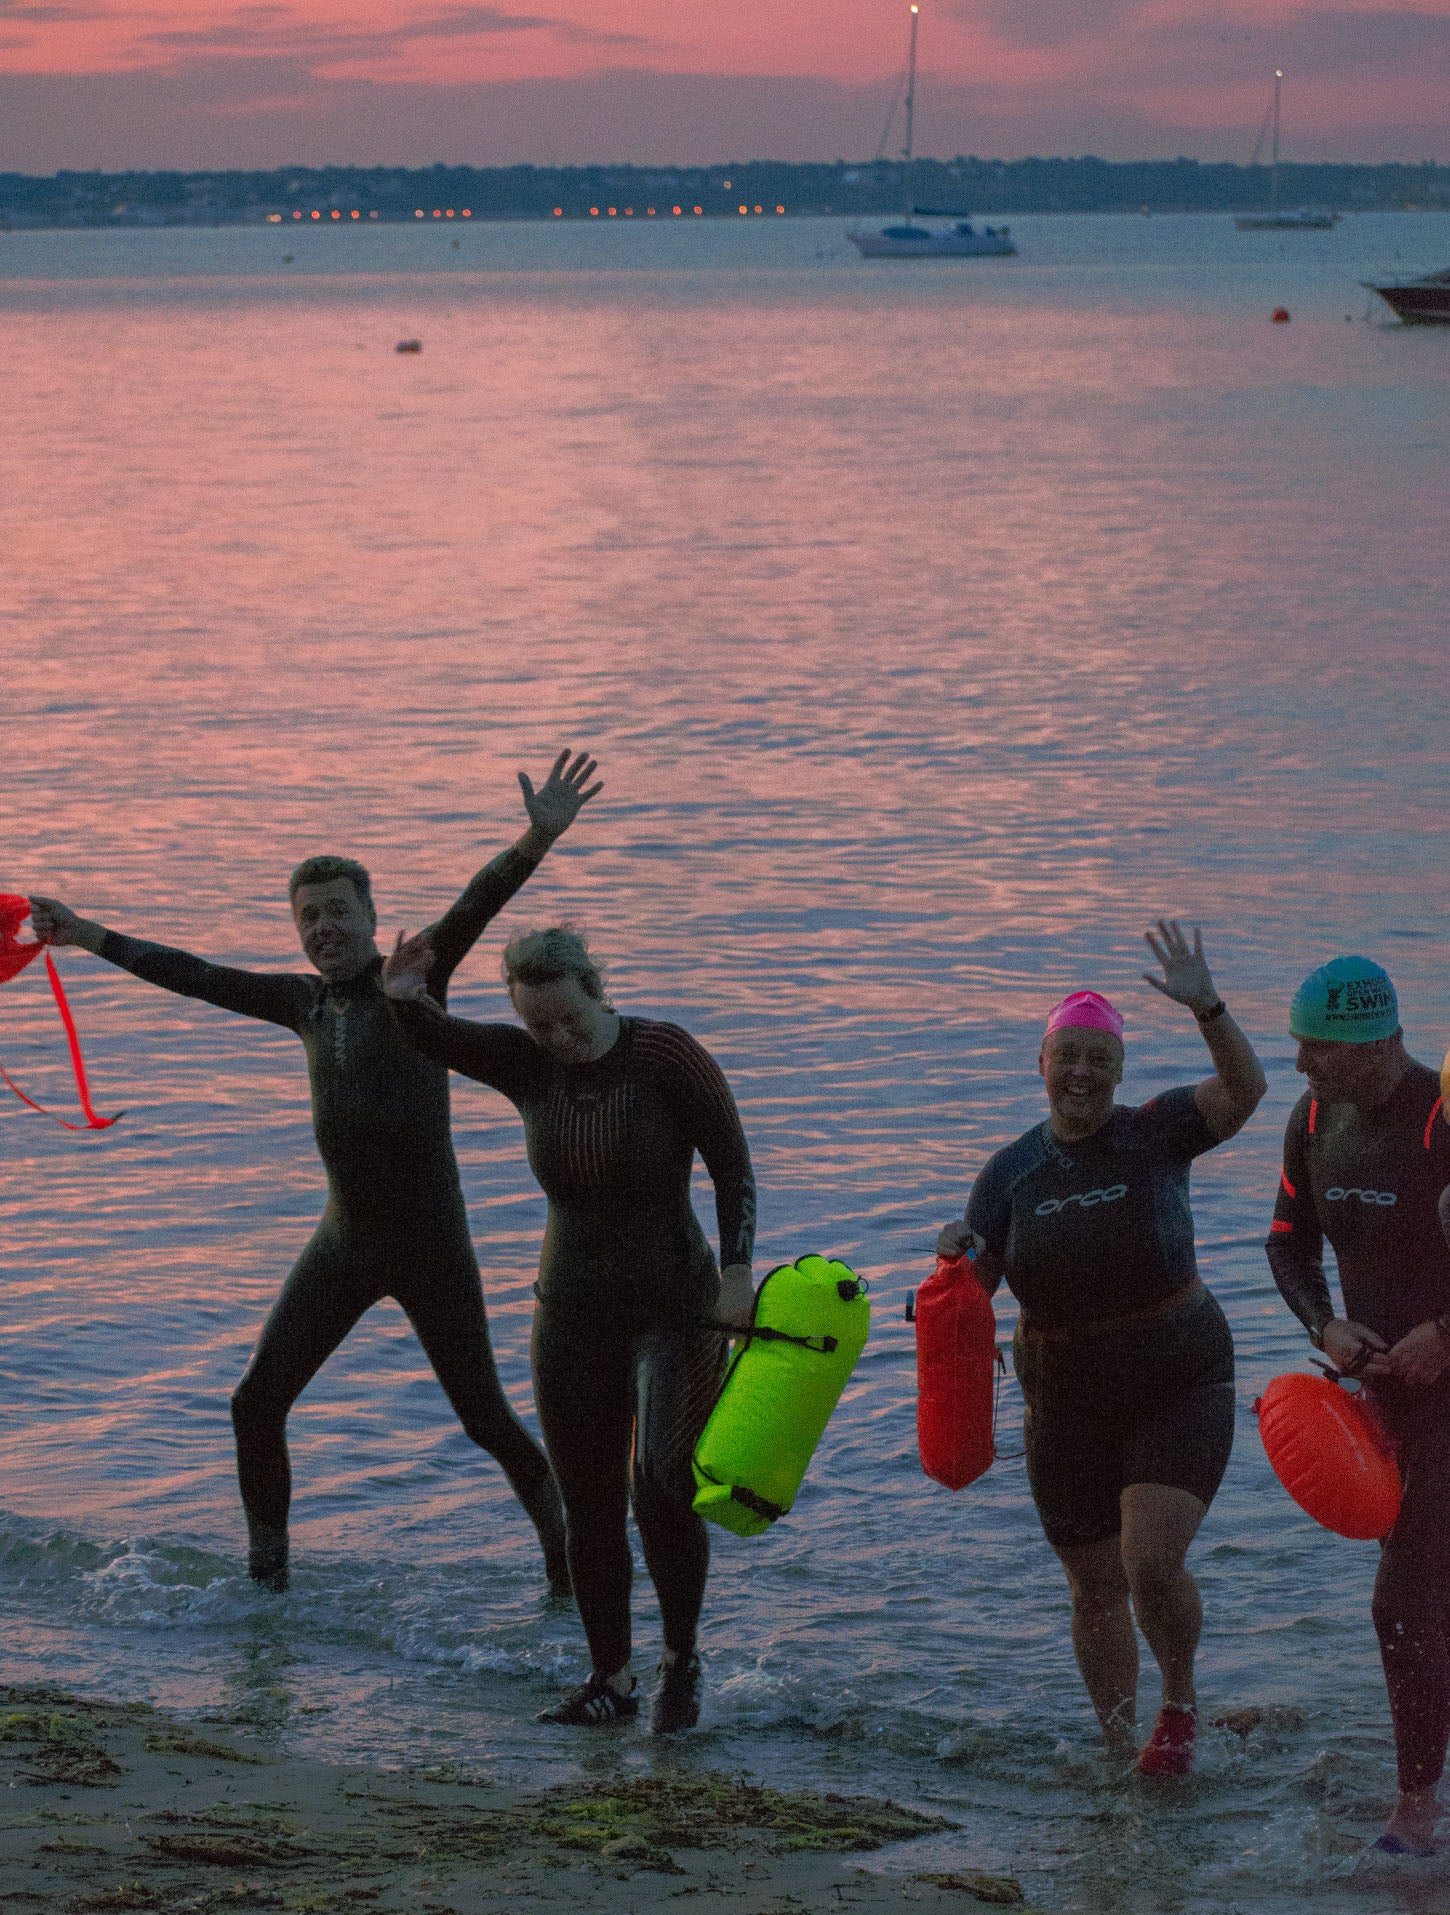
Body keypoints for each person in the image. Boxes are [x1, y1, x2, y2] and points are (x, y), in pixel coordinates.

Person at [27, 751, 602, 1596]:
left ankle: (569, 1570)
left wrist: (537, 836)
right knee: (254, 1403)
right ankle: (269, 1584)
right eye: (309, 916)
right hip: (344, 1242)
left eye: (339, 910)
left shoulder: (414, 977)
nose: (324, 926)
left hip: (431, 1246)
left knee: (485, 1420)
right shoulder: (303, 1003)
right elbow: (195, 975)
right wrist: (85, 934)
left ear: (371, 915)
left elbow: (481, 901)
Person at [381, 921, 755, 1733]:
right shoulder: (526, 1062)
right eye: (538, 1024)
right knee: (587, 1501)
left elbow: (732, 1162)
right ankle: (610, 1679)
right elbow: (435, 1034)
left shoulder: (665, 1055)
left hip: (675, 1304)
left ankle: (680, 1664)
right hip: (571, 1311)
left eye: (569, 1020)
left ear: (597, 988)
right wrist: (401, 994)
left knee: (660, 1487)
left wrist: (737, 1271)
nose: (558, 1038)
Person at [938, 922, 1266, 1776]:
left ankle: (1180, 1707)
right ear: (1040, 1064)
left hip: (1179, 1372)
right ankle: (1121, 1747)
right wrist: (954, 1267)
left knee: (1150, 1560)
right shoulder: (1010, 1173)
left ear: (1118, 1069)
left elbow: (1246, 1089)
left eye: (1098, 1058)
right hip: (1066, 1398)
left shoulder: (1156, 1130)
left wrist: (1208, 1005)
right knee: (1093, 1588)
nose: (1080, 1071)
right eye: (1066, 1056)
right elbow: (973, 1282)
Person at [1265, 955, 1450, 1857]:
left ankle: (1416, 1810)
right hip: (1384, 1402)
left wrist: (1445, 1332)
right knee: (1427, 1593)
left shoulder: (1441, 1117)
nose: (1300, 1065)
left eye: (1314, 1049)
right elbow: (1284, 1244)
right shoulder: (1311, 1121)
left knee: (1403, 1604)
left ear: (1370, 1039)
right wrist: (1326, 1323)